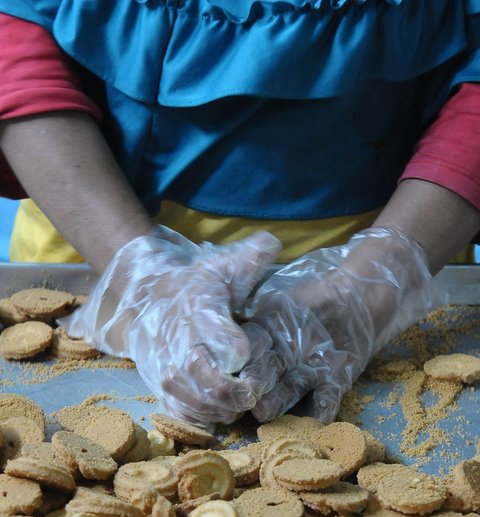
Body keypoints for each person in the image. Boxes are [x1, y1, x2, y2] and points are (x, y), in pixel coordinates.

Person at [0, 0, 479, 429]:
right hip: (95, 233)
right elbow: (16, 38)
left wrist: (375, 281)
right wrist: (139, 275)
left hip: (407, 235)